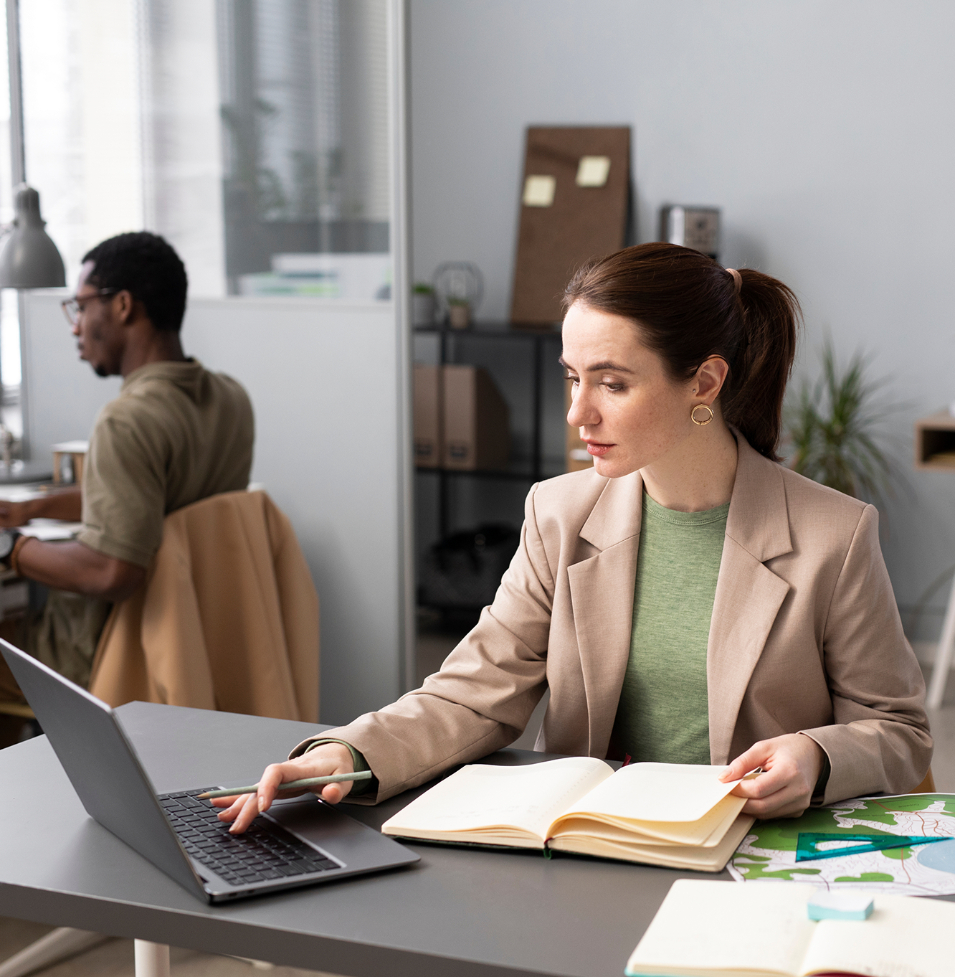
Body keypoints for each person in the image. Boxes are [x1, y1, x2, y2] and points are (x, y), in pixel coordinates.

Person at [216, 242, 930, 834]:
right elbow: (474, 692)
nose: (576, 413)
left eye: (611, 383)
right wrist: (344, 753)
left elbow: (898, 731)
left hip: (745, 860)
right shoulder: (558, 513)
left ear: (704, 382)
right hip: (590, 848)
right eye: (571, 377)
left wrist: (814, 754)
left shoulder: (832, 534)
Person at [0, 231, 254, 690]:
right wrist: (28, 511)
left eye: (80, 306)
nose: (75, 326)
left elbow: (109, 571)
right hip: (193, 637)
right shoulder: (230, 398)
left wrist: (12, 548)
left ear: (121, 305)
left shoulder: (128, 420)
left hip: (109, 649)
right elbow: (140, 496)